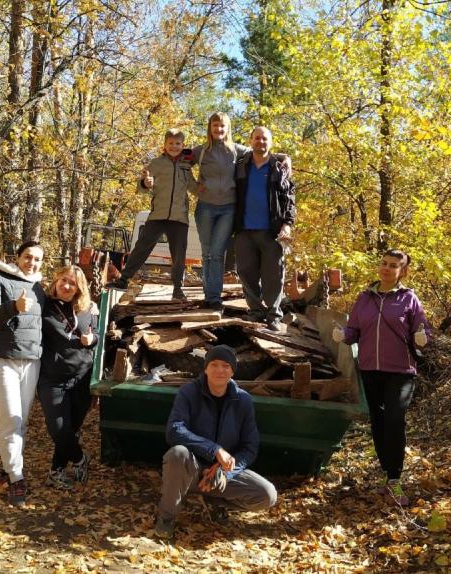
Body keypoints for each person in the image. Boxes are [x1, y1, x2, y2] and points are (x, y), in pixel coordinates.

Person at [332, 249, 430, 506]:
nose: (387, 268)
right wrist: (342, 334)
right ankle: (388, 473)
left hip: (400, 370)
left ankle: (395, 480)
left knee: (395, 417)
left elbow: (422, 328)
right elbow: (353, 330)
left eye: (394, 265)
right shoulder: (364, 298)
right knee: (378, 420)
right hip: (370, 369)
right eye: (384, 263)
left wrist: (423, 337)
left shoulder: (409, 299)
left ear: (402, 271)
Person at [154, 345, 277, 540]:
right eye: (214, 364)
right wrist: (215, 450)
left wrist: (226, 472)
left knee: (267, 495)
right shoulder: (188, 393)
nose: (220, 370)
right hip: (192, 468)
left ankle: (214, 500)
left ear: (233, 371)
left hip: (220, 472)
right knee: (177, 454)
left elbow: (250, 447)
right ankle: (166, 517)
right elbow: (175, 430)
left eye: (226, 366)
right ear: (205, 368)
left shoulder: (243, 400)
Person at [0, 241, 45, 507]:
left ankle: (7, 471)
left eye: (37, 259)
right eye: (28, 257)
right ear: (17, 257)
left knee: (22, 421)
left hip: (31, 360)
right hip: (3, 359)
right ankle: (17, 479)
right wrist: (13, 308)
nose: (32, 263)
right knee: (10, 420)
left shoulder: (40, 287)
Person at [107, 129, 196, 300]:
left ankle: (178, 289)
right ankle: (124, 279)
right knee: (141, 247)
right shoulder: (155, 164)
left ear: (183, 145)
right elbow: (140, 188)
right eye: (170, 143)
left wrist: (208, 190)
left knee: (179, 255)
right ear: (165, 145)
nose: (174, 146)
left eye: (178, 143)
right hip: (157, 216)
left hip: (179, 217)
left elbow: (193, 186)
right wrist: (146, 183)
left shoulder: (186, 166)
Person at [38, 265, 99, 490]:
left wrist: (92, 339)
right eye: (63, 280)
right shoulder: (44, 305)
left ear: (79, 288)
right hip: (52, 378)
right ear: (55, 281)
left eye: (72, 283)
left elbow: (99, 335)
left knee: (71, 428)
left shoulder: (88, 308)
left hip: (82, 377)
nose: (66, 286)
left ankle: (56, 471)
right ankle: (81, 458)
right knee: (58, 428)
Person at [233, 126, 296, 332]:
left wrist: (287, 224)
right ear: (250, 141)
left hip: (272, 231)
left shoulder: (279, 167)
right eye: (257, 138)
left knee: (273, 275)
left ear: (271, 142)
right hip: (243, 229)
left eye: (265, 139)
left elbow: (289, 199)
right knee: (246, 272)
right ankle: (255, 313)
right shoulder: (241, 165)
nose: (261, 142)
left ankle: (273, 315)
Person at [192, 112, 249, 312]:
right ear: (210, 128)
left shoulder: (236, 150)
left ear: (228, 128)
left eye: (223, 126)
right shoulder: (200, 151)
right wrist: (193, 187)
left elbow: (261, 153)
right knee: (207, 253)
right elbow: (179, 163)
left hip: (228, 208)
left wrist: (283, 158)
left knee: (217, 254)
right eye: (215, 125)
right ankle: (209, 295)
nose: (219, 129)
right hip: (205, 207)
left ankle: (214, 298)